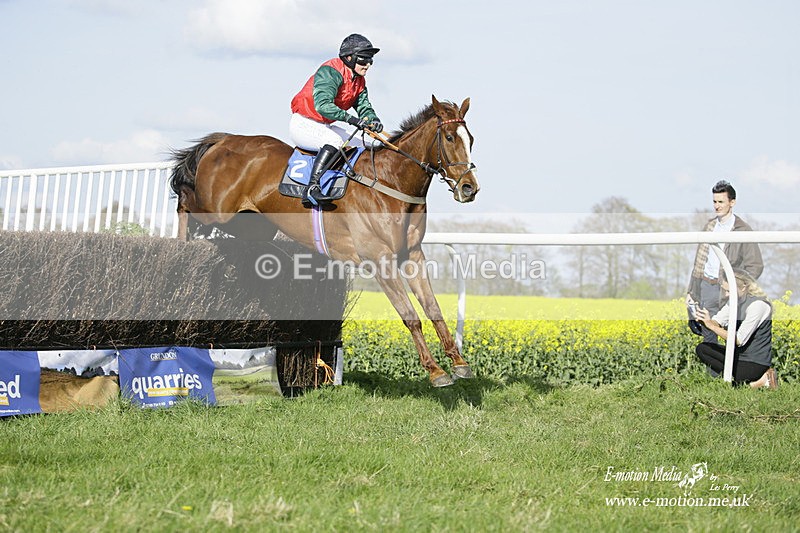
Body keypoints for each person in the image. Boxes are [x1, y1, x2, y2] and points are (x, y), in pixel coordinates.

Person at [289, 33, 384, 205]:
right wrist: (352, 120)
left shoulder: (359, 80)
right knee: (334, 141)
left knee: (366, 145)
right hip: (303, 123)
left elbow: (364, 107)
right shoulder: (330, 71)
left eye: (371, 60)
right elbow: (323, 105)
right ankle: (312, 188)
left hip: (323, 125)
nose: (368, 65)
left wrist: (372, 119)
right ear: (349, 58)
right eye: (363, 60)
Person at [686, 180, 763, 343]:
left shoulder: (743, 230)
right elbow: (699, 264)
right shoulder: (709, 226)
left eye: (721, 202)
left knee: (731, 338)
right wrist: (691, 292)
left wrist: (738, 286)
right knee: (708, 337)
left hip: (728, 290)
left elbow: (755, 265)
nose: (717, 206)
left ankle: (732, 369)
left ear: (732, 202)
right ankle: (713, 370)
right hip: (706, 286)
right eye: (714, 202)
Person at [693, 269, 777, 389]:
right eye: (725, 290)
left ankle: (760, 380)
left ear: (743, 287)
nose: (726, 295)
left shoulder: (758, 306)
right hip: (737, 357)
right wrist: (706, 320)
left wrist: (711, 325)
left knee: (731, 386)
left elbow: (739, 339)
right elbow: (717, 322)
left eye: (729, 291)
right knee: (703, 349)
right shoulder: (734, 301)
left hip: (754, 362)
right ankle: (755, 383)